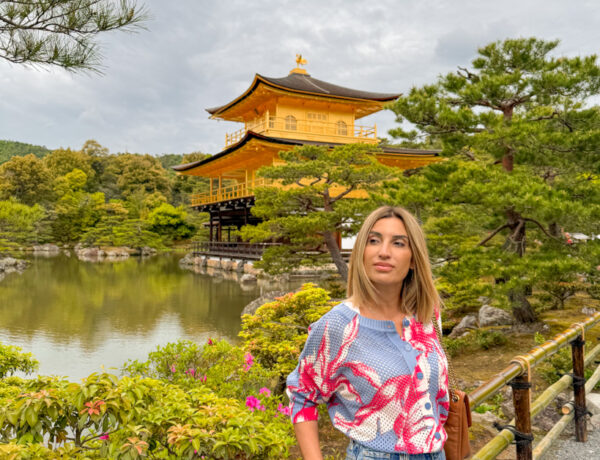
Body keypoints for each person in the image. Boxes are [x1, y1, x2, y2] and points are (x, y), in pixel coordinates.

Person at [286, 206, 449, 460]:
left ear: (414, 258)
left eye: (398, 243)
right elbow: (302, 395)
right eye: (374, 241)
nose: (384, 252)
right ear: (361, 252)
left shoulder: (427, 315)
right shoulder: (338, 326)